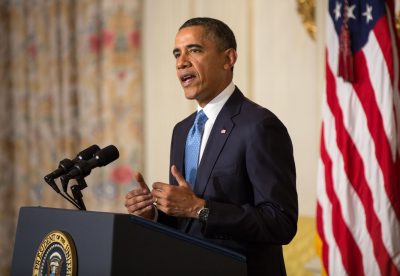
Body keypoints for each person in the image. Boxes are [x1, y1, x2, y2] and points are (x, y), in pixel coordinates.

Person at [125, 17, 298, 276]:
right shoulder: (182, 130)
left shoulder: (259, 126)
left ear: (228, 59)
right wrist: (155, 214)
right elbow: (186, 219)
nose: (181, 62)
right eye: (177, 54)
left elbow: (280, 223)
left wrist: (199, 207)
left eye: (194, 50)